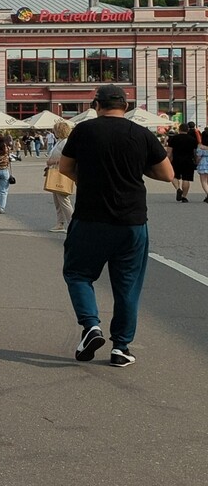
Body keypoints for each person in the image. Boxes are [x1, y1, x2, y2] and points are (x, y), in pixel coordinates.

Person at [58, 84, 173, 368]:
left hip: (90, 218)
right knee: (127, 286)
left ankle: (91, 326)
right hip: (132, 221)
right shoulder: (141, 133)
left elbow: (64, 168)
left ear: (97, 105)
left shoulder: (83, 131)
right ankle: (121, 347)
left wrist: (87, 178)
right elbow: (167, 174)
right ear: (126, 106)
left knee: (78, 273)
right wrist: (136, 168)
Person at [45, 121, 74, 232]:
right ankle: (60, 223)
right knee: (57, 200)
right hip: (55, 171)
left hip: (60, 172)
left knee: (63, 200)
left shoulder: (65, 142)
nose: (54, 132)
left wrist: (52, 162)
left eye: (55, 130)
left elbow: (66, 158)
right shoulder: (60, 141)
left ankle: (72, 223)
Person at [166, 122, 198, 203]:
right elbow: (195, 152)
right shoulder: (193, 140)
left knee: (174, 176)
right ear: (187, 130)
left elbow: (169, 152)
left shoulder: (173, 138)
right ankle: (184, 197)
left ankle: (178, 189)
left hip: (176, 160)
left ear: (179, 129)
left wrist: (168, 161)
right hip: (188, 160)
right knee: (186, 178)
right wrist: (196, 160)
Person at [196, 137, 208, 203]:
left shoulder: (201, 146)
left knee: (204, 181)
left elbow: (198, 156)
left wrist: (197, 163)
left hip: (204, 162)